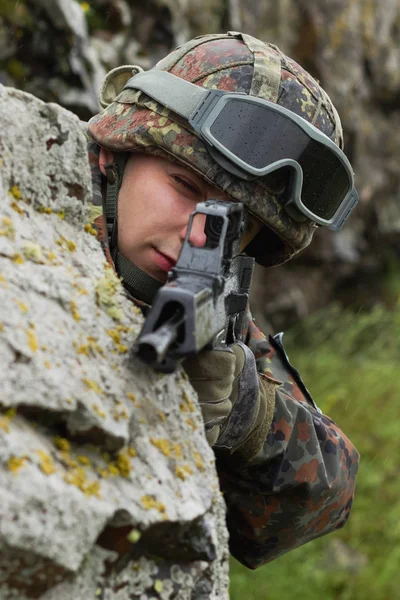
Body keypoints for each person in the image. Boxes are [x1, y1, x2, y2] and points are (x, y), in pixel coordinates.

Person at [87, 31, 359, 569]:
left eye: (236, 224)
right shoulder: (35, 204)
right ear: (116, 153)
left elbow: (333, 493)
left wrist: (248, 415)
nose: (197, 234)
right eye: (184, 187)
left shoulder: (214, 297)